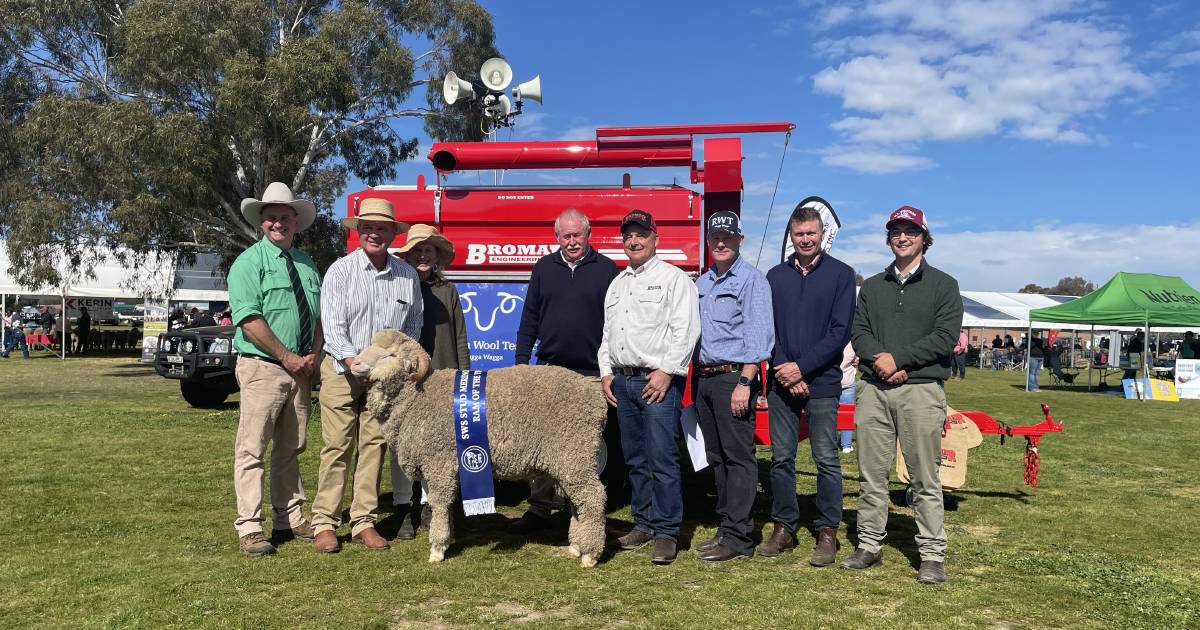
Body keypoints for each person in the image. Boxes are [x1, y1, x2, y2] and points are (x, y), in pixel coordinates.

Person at [845, 205, 962, 585]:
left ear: (924, 237)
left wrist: (899, 359)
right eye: (896, 230)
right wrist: (879, 360)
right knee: (871, 475)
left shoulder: (944, 285)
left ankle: (931, 554)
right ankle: (869, 545)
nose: (902, 237)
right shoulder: (874, 286)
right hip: (873, 389)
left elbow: (944, 338)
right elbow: (859, 331)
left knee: (924, 477)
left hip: (921, 390)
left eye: (910, 230)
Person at [311, 198, 422, 554]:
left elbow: (413, 326)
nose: (375, 233)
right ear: (359, 232)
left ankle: (363, 521)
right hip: (342, 372)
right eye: (368, 228)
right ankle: (325, 522)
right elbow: (333, 326)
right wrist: (352, 362)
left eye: (382, 228)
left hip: (384, 378)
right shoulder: (340, 271)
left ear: (393, 233)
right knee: (337, 446)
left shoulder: (406, 275)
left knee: (374, 446)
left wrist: (391, 364)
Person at [228, 181, 324, 557]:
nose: (277, 223)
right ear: (261, 222)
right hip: (264, 368)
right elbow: (249, 319)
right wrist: (287, 356)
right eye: (271, 217)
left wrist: (314, 354)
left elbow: (318, 316)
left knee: (291, 447)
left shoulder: (308, 264)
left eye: (284, 217)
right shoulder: (249, 264)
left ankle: (289, 515)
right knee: (252, 448)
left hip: (301, 369)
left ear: (295, 221)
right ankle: (250, 526)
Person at [598, 209, 699, 565]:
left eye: (641, 234)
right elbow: (608, 334)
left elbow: (686, 330)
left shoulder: (674, 279)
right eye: (628, 235)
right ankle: (644, 523)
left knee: (662, 458)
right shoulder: (618, 283)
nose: (634, 241)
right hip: (623, 383)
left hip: (656, 382)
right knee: (636, 460)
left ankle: (668, 532)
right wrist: (606, 372)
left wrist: (668, 372)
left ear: (656, 238)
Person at [511, 208, 620, 535]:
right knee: (543, 443)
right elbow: (529, 317)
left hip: (591, 373)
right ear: (556, 237)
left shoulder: (607, 269)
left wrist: (609, 368)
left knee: (588, 446)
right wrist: (520, 362)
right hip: (548, 371)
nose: (572, 241)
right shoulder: (544, 268)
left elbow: (616, 324)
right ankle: (541, 507)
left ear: (589, 234)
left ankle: (585, 510)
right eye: (566, 236)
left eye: (578, 235)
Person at [762, 204, 856, 566]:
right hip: (781, 381)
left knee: (826, 459)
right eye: (799, 234)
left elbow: (839, 332)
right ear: (791, 236)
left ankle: (827, 531)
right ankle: (783, 526)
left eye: (811, 233)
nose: (805, 239)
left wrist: (801, 369)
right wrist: (786, 369)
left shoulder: (841, 275)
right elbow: (767, 327)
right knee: (782, 458)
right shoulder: (775, 276)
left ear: (821, 235)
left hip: (823, 381)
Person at [691, 211, 773, 562]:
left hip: (733, 379)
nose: (721, 242)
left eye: (728, 237)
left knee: (739, 458)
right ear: (708, 242)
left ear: (741, 239)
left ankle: (740, 537)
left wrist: (745, 381)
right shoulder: (702, 283)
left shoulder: (752, 280)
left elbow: (759, 336)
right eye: (715, 238)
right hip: (705, 380)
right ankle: (726, 528)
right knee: (717, 458)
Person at [391, 223, 471, 539]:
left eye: (428, 249)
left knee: (437, 447)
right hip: (405, 382)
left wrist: (464, 378)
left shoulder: (448, 291)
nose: (423, 255)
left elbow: (460, 336)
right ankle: (402, 506)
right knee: (401, 444)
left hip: (443, 379)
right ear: (408, 254)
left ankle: (430, 504)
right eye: (417, 250)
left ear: (436, 255)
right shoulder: (397, 287)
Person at [838, 343, 857, 453]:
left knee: (831, 416)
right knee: (847, 415)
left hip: (838, 383)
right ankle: (846, 446)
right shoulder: (852, 342)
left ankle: (843, 444)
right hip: (846, 382)